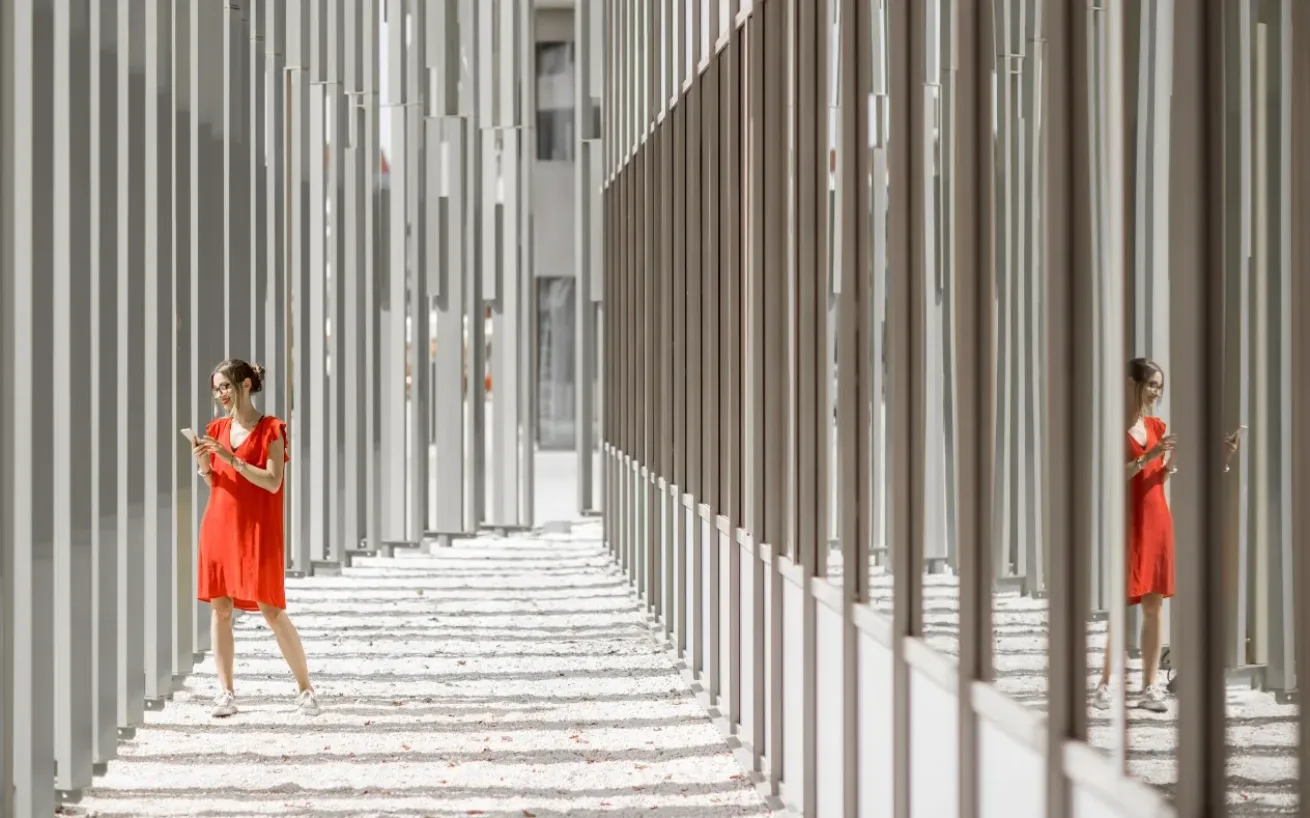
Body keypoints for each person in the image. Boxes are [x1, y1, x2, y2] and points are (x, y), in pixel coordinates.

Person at [1091, 358, 1241, 713]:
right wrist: (1150, 456)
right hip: (1127, 520)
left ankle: (1149, 686)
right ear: (1131, 383)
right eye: (1152, 383)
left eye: (1160, 385)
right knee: (1119, 601)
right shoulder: (1115, 427)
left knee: (1154, 605)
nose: (1157, 391)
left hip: (1157, 516)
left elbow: (1163, 474)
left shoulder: (1157, 425)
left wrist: (1203, 458)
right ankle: (1104, 683)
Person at [192, 358, 319, 718]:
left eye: (226, 386)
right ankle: (226, 692)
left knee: (272, 609)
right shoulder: (215, 429)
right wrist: (204, 464)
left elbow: (273, 481)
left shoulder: (271, 429)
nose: (221, 394)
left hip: (257, 529)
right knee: (221, 611)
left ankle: (306, 688)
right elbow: (216, 483)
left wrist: (231, 459)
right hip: (218, 524)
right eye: (216, 389)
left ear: (246, 384)